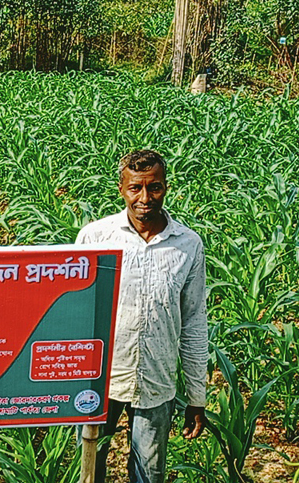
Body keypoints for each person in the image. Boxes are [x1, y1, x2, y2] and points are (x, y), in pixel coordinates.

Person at [75, 149, 207, 483]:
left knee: (149, 475)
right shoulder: (96, 238)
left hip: (156, 380)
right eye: (136, 188)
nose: (145, 198)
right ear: (122, 189)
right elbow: (74, 312)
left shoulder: (188, 244)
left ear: (166, 187)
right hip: (99, 380)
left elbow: (193, 322)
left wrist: (196, 397)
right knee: (89, 469)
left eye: (155, 187)